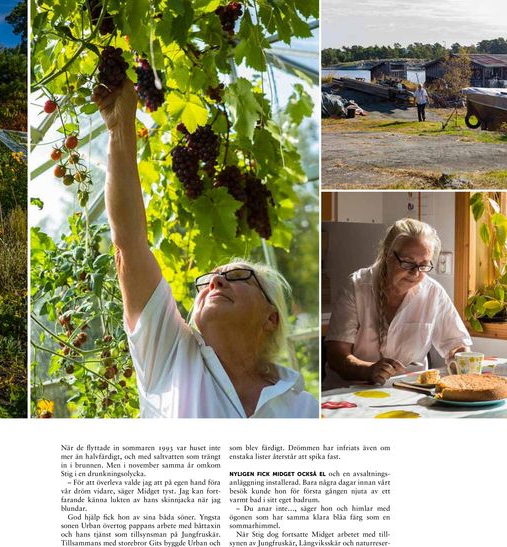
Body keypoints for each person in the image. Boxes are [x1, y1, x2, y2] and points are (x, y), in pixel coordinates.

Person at [94, 80, 316, 419]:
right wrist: (120, 128)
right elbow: (129, 244)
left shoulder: (303, 409)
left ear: (271, 317)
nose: (215, 282)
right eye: (208, 280)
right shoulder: (169, 352)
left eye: (238, 276)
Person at [325, 218, 470, 388]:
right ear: (387, 254)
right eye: (407, 262)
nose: (415, 273)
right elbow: (337, 356)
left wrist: (459, 357)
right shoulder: (356, 287)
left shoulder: (433, 292)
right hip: (349, 393)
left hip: (409, 392)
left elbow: (457, 344)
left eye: (423, 265)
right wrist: (368, 371)